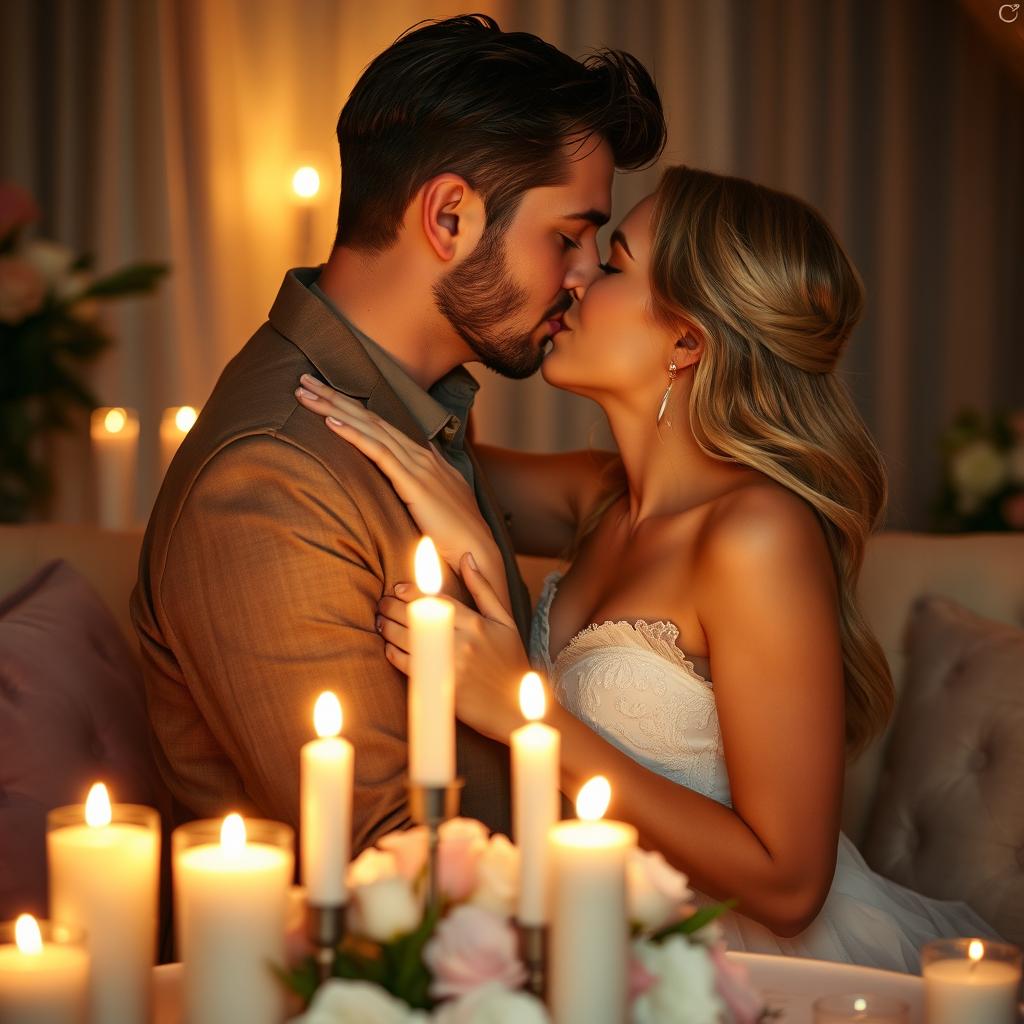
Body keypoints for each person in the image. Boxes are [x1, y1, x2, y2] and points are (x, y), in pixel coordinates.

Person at [294, 165, 999, 971]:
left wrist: (528, 719)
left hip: (742, 961)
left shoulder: (756, 535)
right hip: (596, 936)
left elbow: (790, 883)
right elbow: (422, 439)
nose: (574, 274)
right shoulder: (599, 498)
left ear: (686, 340)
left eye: (614, 263)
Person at [130, 14, 666, 851]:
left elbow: (631, 497)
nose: (587, 272)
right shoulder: (270, 480)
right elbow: (388, 866)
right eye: (567, 235)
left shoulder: (407, 409)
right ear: (449, 217)